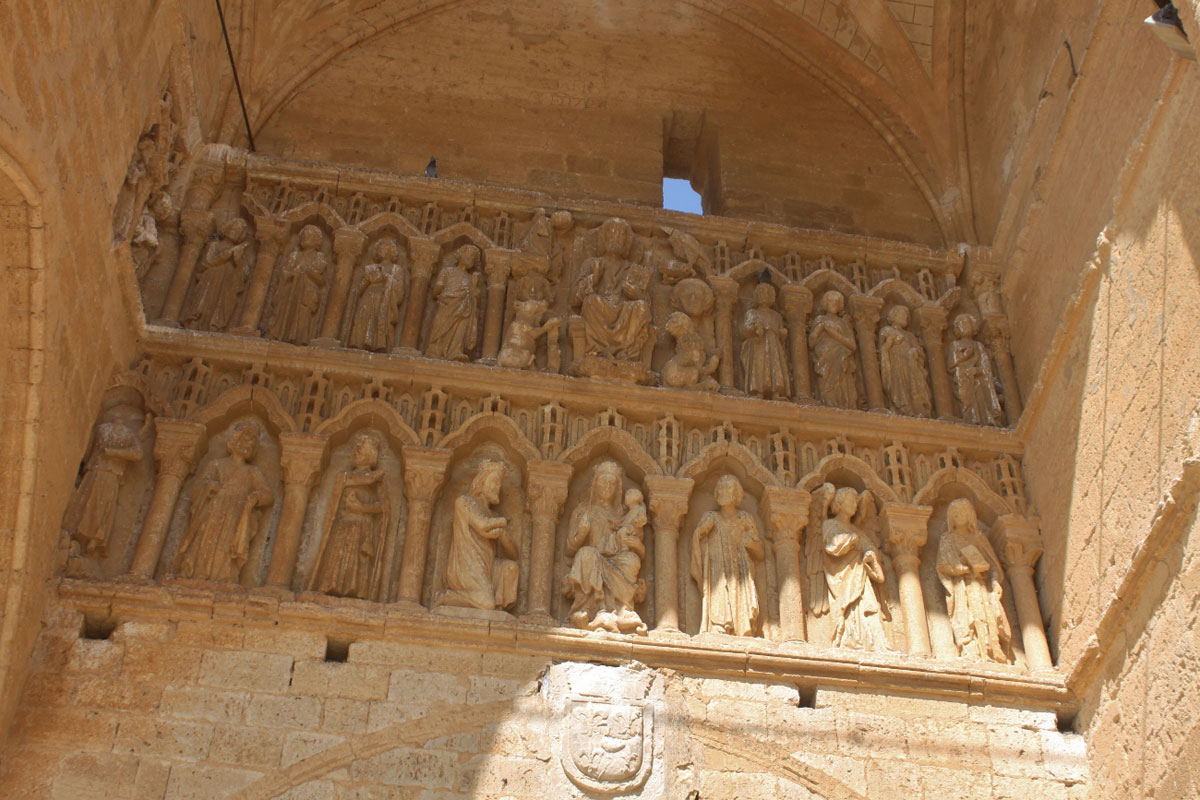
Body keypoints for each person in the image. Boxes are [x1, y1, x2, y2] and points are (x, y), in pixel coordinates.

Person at [174, 420, 273, 583]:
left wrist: (256, 497)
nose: (246, 444)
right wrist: (209, 486)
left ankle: (224, 577)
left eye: (251, 442)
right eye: (242, 439)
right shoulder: (217, 465)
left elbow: (268, 496)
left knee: (227, 544)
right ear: (234, 440)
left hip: (236, 513)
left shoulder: (252, 472)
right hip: (212, 511)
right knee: (205, 540)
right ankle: (196, 573)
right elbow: (197, 488)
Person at [563, 461, 647, 634]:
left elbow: (640, 550)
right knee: (586, 553)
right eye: (603, 482)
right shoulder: (583, 511)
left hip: (616, 559)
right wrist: (582, 533)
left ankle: (623, 609)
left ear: (618, 487)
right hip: (594, 558)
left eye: (612, 483)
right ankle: (589, 607)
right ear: (595, 485)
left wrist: (636, 545)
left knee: (632, 560)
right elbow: (570, 549)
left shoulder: (625, 515)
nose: (607, 487)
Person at [309, 433, 390, 600]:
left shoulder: (378, 481)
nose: (355, 453)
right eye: (355, 449)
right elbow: (342, 487)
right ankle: (331, 587)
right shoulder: (345, 477)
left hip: (364, 528)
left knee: (360, 561)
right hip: (344, 525)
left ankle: (358, 593)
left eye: (360, 449)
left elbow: (384, 507)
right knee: (338, 557)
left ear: (370, 454)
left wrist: (361, 508)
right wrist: (367, 481)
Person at [937, 499, 1012, 663]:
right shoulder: (947, 539)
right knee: (968, 616)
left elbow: (993, 565)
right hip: (963, 586)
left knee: (988, 614)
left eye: (962, 512)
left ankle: (992, 649)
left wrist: (994, 581)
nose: (958, 516)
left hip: (982, 585)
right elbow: (942, 565)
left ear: (969, 515)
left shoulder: (979, 538)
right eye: (955, 514)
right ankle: (972, 649)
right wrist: (962, 568)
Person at [690, 475, 764, 636]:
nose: (723, 491)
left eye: (728, 488)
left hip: (740, 568)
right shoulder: (711, 517)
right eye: (721, 488)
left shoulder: (745, 519)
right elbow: (697, 540)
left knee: (740, 593)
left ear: (737, 493)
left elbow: (760, 552)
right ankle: (718, 626)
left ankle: (742, 627)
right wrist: (701, 531)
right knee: (719, 592)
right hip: (717, 567)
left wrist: (749, 543)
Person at [441, 461, 518, 610]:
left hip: (487, 567)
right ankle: (448, 596)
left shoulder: (493, 515)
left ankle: (496, 604)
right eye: (494, 482)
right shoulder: (464, 503)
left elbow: (513, 554)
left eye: (499, 484)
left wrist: (503, 535)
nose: (497, 487)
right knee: (487, 603)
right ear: (481, 482)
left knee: (511, 568)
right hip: (467, 567)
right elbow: (482, 525)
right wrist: (502, 522)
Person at [878, 305, 933, 417]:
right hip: (896, 363)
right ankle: (902, 409)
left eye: (907, 315)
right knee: (898, 387)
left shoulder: (910, 336)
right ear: (893, 316)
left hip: (910, 364)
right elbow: (881, 350)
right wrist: (888, 344)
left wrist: (915, 352)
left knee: (913, 386)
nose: (906, 317)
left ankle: (915, 409)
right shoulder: (886, 330)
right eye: (902, 314)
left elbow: (920, 352)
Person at [809, 290, 859, 409]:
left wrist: (833, 333)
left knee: (842, 381)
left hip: (841, 356)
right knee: (826, 381)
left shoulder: (844, 323)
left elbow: (852, 345)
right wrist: (820, 328)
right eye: (831, 301)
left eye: (837, 302)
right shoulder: (820, 320)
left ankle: (844, 404)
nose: (834, 304)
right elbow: (811, 342)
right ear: (825, 304)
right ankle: (828, 403)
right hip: (825, 356)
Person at [740, 282, 790, 399]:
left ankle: (776, 393)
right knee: (759, 366)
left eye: (767, 292)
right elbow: (744, 331)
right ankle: (758, 392)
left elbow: (781, 335)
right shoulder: (752, 313)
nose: (764, 295)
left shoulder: (776, 316)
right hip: (758, 344)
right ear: (756, 296)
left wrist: (782, 333)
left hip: (774, 346)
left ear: (772, 297)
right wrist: (755, 329)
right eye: (761, 292)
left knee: (775, 367)